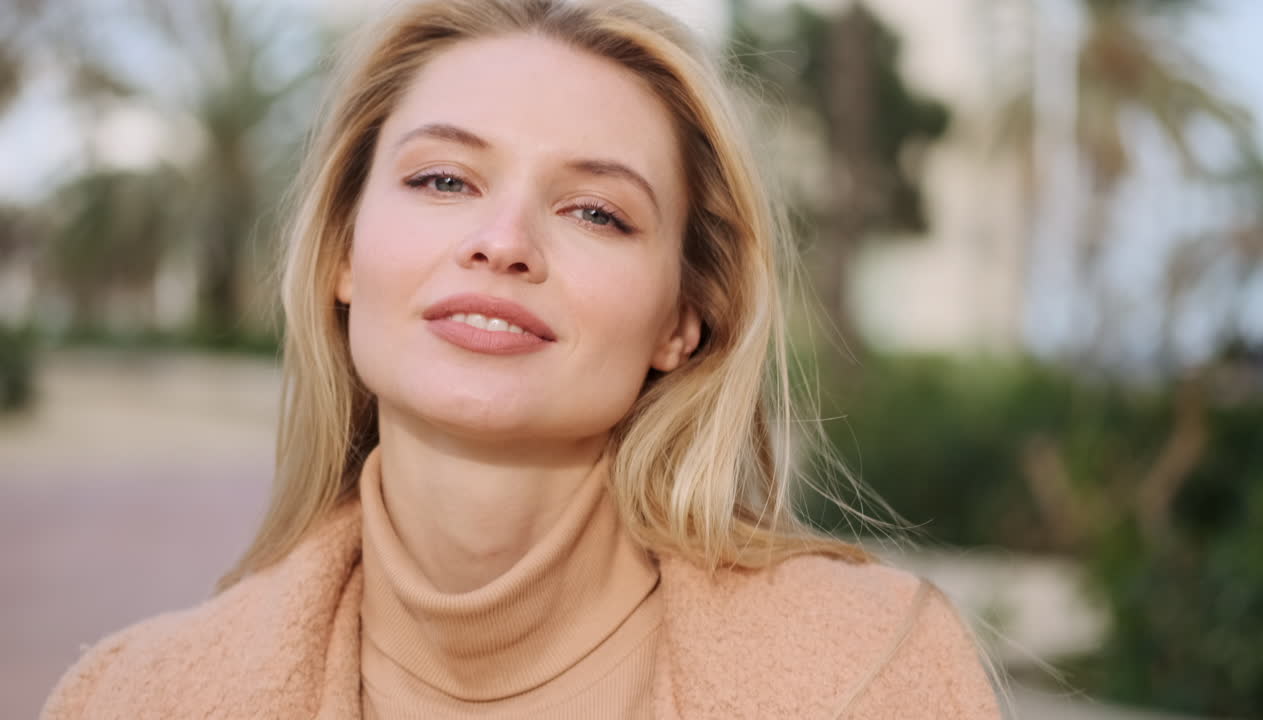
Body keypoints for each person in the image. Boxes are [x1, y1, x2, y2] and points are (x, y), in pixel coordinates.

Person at [41, 0, 999, 717]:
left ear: (684, 320)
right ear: (343, 253)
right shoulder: (130, 700)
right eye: (442, 179)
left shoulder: (878, 675)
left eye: (597, 212)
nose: (503, 243)